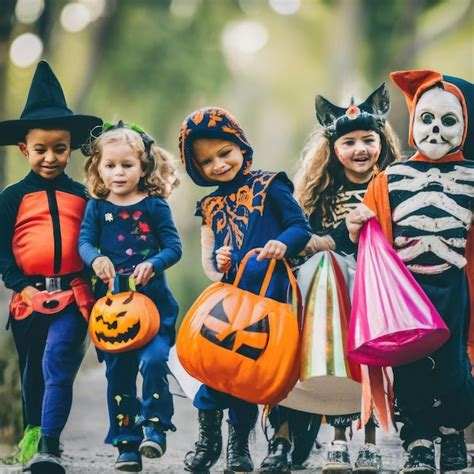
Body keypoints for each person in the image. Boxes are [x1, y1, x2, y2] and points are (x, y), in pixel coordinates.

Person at [259, 83, 401, 472]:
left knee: (369, 354)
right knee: (310, 332)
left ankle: (367, 433)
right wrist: (342, 234)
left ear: (382, 142)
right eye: (349, 142)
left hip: (377, 288)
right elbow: (311, 241)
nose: (360, 149)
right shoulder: (321, 193)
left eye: (368, 140)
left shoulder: (394, 186)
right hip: (328, 288)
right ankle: (288, 432)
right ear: (333, 150)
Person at [346, 70, 474, 473]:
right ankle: (418, 439)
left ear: (464, 126)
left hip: (453, 284)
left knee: (455, 363)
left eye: (448, 121)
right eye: (427, 119)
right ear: (414, 123)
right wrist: (356, 224)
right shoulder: (390, 178)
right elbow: (370, 233)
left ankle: (452, 432)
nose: (436, 130)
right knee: (410, 365)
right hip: (406, 289)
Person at [178, 106, 312, 472]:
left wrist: (283, 243)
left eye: (225, 153)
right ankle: (208, 442)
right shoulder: (210, 205)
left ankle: (239, 449)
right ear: (197, 169)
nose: (219, 164)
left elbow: (300, 227)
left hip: (270, 302)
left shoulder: (270, 185)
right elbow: (221, 255)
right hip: (232, 301)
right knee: (215, 370)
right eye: (206, 162)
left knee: (246, 376)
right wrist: (223, 259)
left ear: (241, 147)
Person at [0, 60, 101, 474]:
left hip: (74, 294)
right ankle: (32, 436)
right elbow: (4, 254)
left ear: (71, 147)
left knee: (58, 358)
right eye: (40, 149)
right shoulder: (11, 198)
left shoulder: (84, 195)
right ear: (25, 149)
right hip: (30, 296)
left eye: (59, 148)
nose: (50, 157)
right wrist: (21, 286)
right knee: (31, 370)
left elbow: (95, 242)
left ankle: (50, 444)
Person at [78, 121, 181, 472]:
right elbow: (85, 243)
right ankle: (126, 442)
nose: (118, 173)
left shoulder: (155, 207)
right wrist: (97, 258)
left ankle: (154, 426)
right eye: (110, 165)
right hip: (112, 311)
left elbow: (173, 247)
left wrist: (154, 263)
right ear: (98, 168)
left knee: (153, 362)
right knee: (119, 376)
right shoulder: (96, 208)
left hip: (153, 308)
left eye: (127, 165)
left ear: (143, 167)